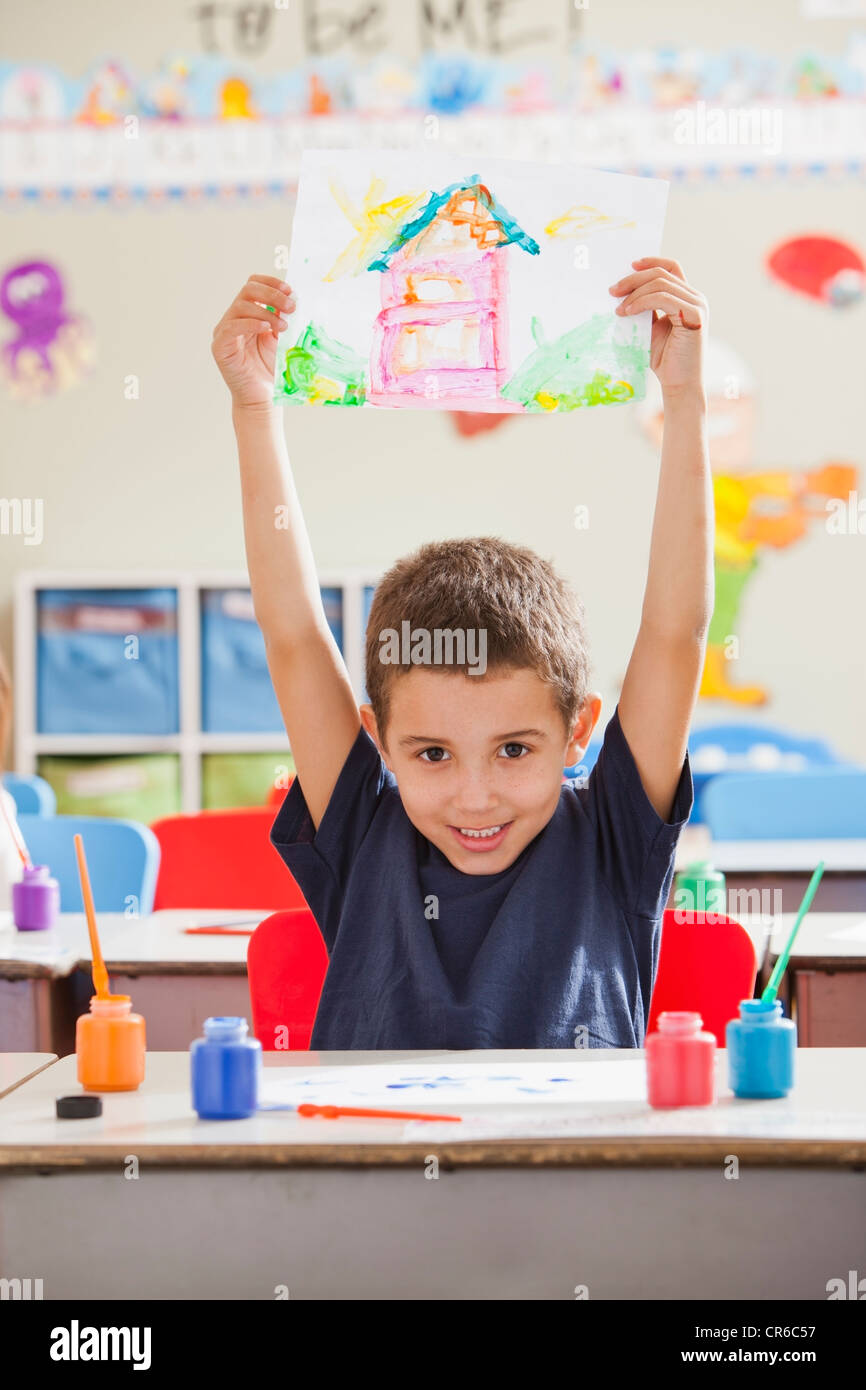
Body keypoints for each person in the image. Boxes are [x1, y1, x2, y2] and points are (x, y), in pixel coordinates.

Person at [211, 256, 711, 1048]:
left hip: (581, 1171)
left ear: (579, 728)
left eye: (514, 748)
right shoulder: (363, 834)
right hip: (378, 1173)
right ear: (377, 739)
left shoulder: (613, 834)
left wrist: (683, 400)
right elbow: (295, 635)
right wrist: (254, 405)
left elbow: (675, 635)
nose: (476, 799)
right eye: (434, 753)